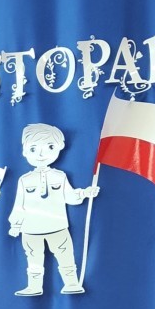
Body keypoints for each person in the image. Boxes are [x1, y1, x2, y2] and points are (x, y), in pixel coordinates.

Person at [9, 123, 99, 296]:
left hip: (57, 227)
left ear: (59, 148)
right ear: (25, 152)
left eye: (49, 147)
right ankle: (34, 286)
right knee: (33, 259)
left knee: (65, 256)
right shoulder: (24, 180)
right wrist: (15, 225)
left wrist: (85, 193)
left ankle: (71, 283)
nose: (41, 154)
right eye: (34, 149)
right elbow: (19, 205)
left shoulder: (60, 176)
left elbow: (70, 197)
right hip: (31, 229)